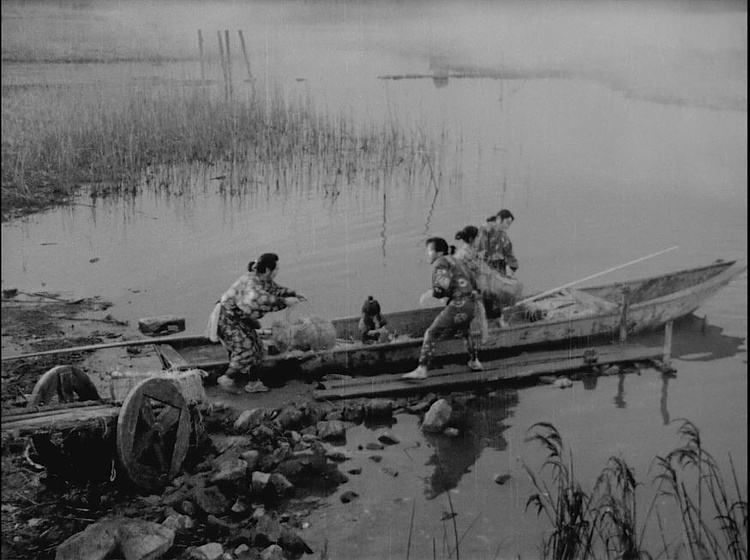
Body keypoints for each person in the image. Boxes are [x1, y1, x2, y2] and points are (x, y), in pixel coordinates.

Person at [215, 253, 305, 394]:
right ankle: (227, 378)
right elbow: (262, 300)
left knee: (258, 347)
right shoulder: (252, 284)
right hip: (227, 319)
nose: (277, 272)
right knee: (246, 349)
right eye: (276, 269)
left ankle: (253, 383)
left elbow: (274, 289)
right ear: (268, 270)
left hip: (240, 318)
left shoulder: (262, 279)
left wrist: (292, 293)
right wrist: (285, 302)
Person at [403, 237, 483, 380]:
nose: (428, 254)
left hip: (458, 305)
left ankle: (422, 368)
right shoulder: (456, 261)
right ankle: (475, 361)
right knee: (465, 331)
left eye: (429, 251)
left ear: (439, 252)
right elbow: (473, 282)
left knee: (431, 332)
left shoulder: (440, 263)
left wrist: (430, 293)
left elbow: (442, 287)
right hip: (471, 305)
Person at [477, 209, 518, 277]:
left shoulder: (504, 236)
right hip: (485, 270)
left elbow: (510, 254)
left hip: (499, 270)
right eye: (507, 222)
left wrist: (510, 268)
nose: (507, 226)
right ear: (499, 219)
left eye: (509, 224)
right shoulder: (485, 229)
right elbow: (480, 250)